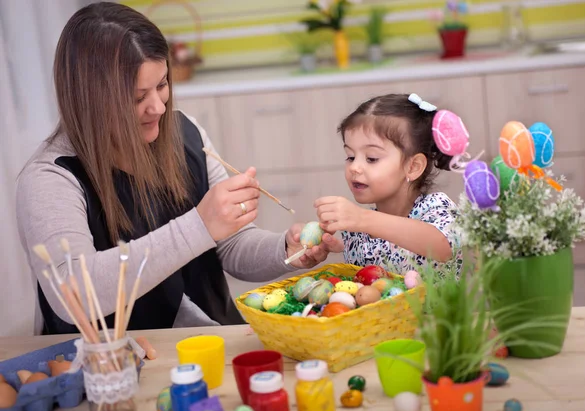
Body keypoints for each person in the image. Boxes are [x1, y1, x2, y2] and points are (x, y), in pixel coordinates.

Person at [16, 2, 342, 336]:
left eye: (162, 85)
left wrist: (285, 250)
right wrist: (200, 225)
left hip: (211, 340)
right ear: (90, 101)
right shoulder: (50, 179)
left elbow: (230, 246)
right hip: (117, 364)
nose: (158, 107)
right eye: (136, 96)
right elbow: (74, 298)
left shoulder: (187, 134)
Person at [314, 93, 461, 274]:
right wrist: (337, 245)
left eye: (372, 158)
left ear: (413, 166)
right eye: (350, 157)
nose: (354, 167)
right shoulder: (361, 228)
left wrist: (361, 219)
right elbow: (382, 252)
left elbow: (443, 246)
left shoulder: (435, 208)